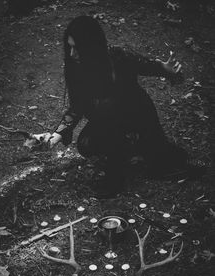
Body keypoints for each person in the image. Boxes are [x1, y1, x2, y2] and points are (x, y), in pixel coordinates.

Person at [48, 15, 188, 198]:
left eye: (78, 48)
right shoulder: (77, 68)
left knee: (160, 165)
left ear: (91, 47)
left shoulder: (118, 58)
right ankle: (127, 149)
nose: (72, 54)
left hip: (137, 117)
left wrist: (165, 69)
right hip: (109, 121)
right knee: (86, 144)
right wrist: (55, 136)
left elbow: (148, 66)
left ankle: (135, 148)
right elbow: (78, 106)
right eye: (70, 47)